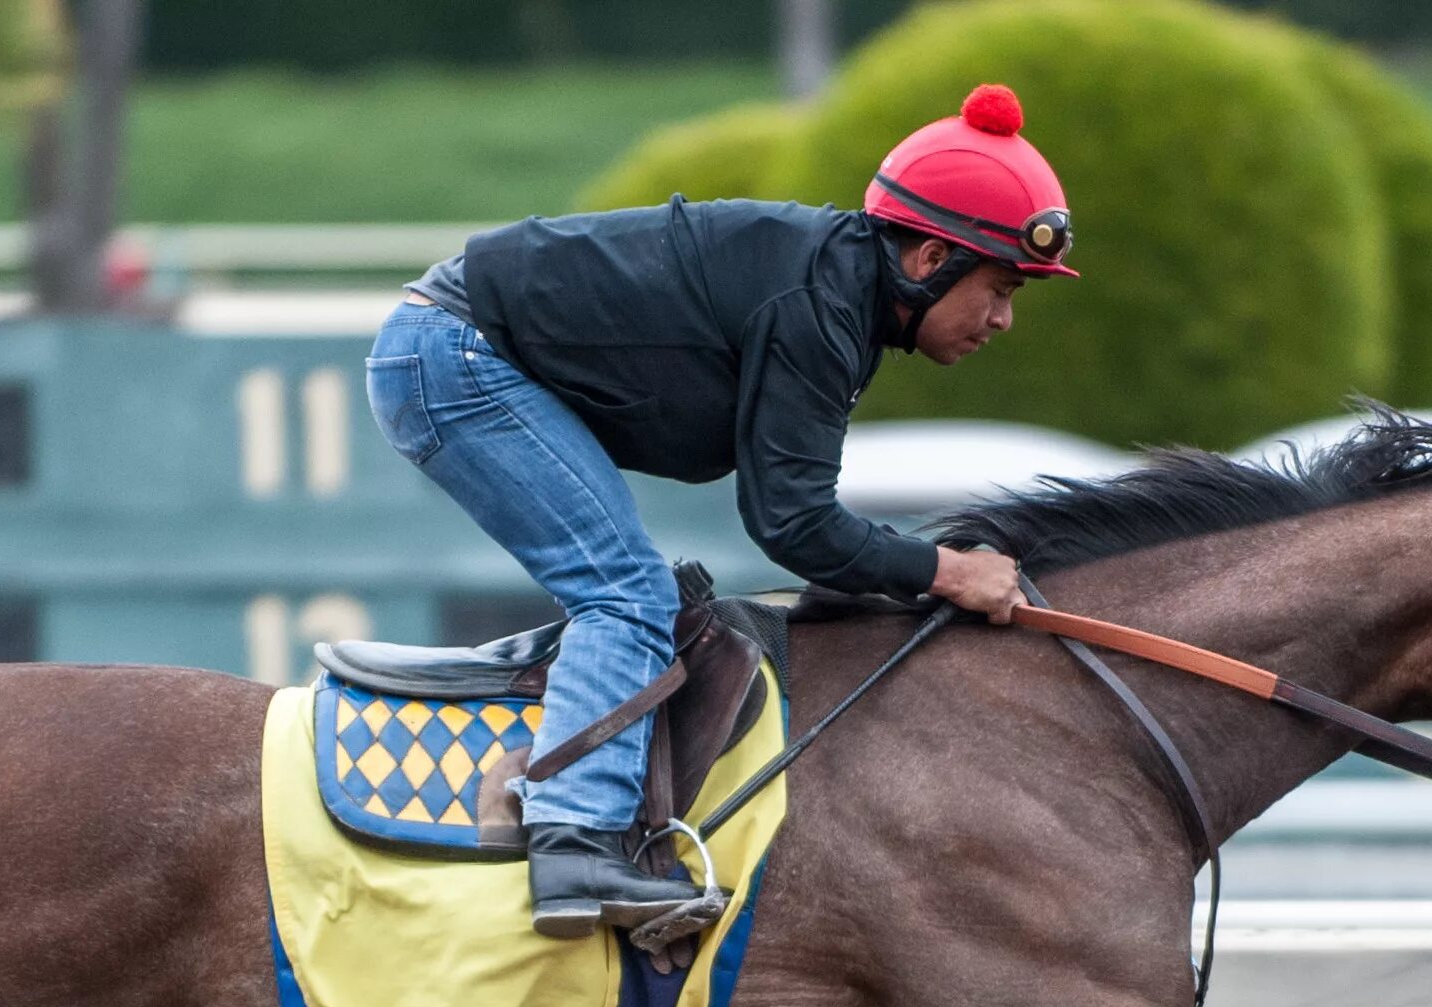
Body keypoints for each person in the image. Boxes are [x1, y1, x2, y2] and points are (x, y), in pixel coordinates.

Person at [365, 84, 1076, 938]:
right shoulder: (822, 306)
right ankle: (572, 843)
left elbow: (795, 518)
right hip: (453, 357)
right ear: (928, 260)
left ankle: (562, 799)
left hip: (455, 345)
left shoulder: (839, 293)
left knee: (638, 594)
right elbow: (794, 524)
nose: (1002, 318)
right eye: (999, 288)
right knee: (628, 596)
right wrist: (949, 570)